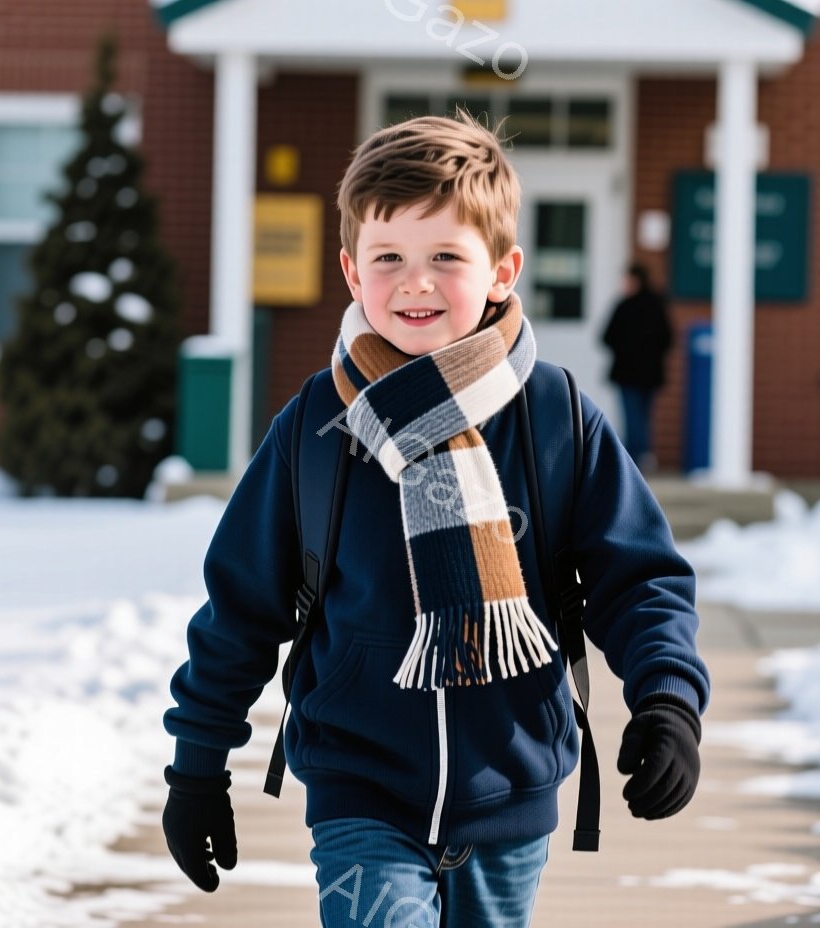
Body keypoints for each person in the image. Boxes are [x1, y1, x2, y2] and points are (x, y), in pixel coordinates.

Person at [159, 108, 711, 928]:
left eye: (445, 257)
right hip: (360, 791)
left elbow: (642, 579)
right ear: (352, 272)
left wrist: (668, 700)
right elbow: (240, 606)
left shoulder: (553, 416)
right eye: (389, 258)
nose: (414, 281)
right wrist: (197, 766)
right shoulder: (316, 427)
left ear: (502, 270)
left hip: (512, 791)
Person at [600, 264, 673, 472]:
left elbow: (606, 337)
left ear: (635, 280)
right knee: (642, 417)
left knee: (633, 418)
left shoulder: (624, 306)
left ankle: (633, 460)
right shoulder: (657, 305)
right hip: (650, 374)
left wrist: (626, 349)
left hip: (627, 372)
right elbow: (667, 339)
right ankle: (643, 456)